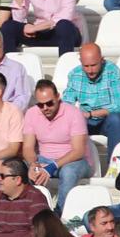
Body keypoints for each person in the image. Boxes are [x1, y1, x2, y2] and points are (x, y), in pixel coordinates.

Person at [23, 80, 91, 213]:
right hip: (44, 159)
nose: (45, 108)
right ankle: (32, 212)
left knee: (68, 172)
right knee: (20, 169)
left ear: (58, 97)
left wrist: (52, 166)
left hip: (75, 160)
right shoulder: (31, 113)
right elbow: (27, 148)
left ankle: (59, 214)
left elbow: (78, 151)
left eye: (49, 103)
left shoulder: (74, 113)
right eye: (40, 105)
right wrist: (33, 164)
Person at [63, 43, 120, 157]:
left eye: (93, 65)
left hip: (108, 120)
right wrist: (77, 116)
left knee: (116, 120)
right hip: (86, 121)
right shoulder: (74, 74)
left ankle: (115, 166)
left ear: (102, 60)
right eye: (86, 66)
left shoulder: (113, 71)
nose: (90, 70)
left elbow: (118, 106)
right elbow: (67, 103)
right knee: (69, 122)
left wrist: (89, 114)